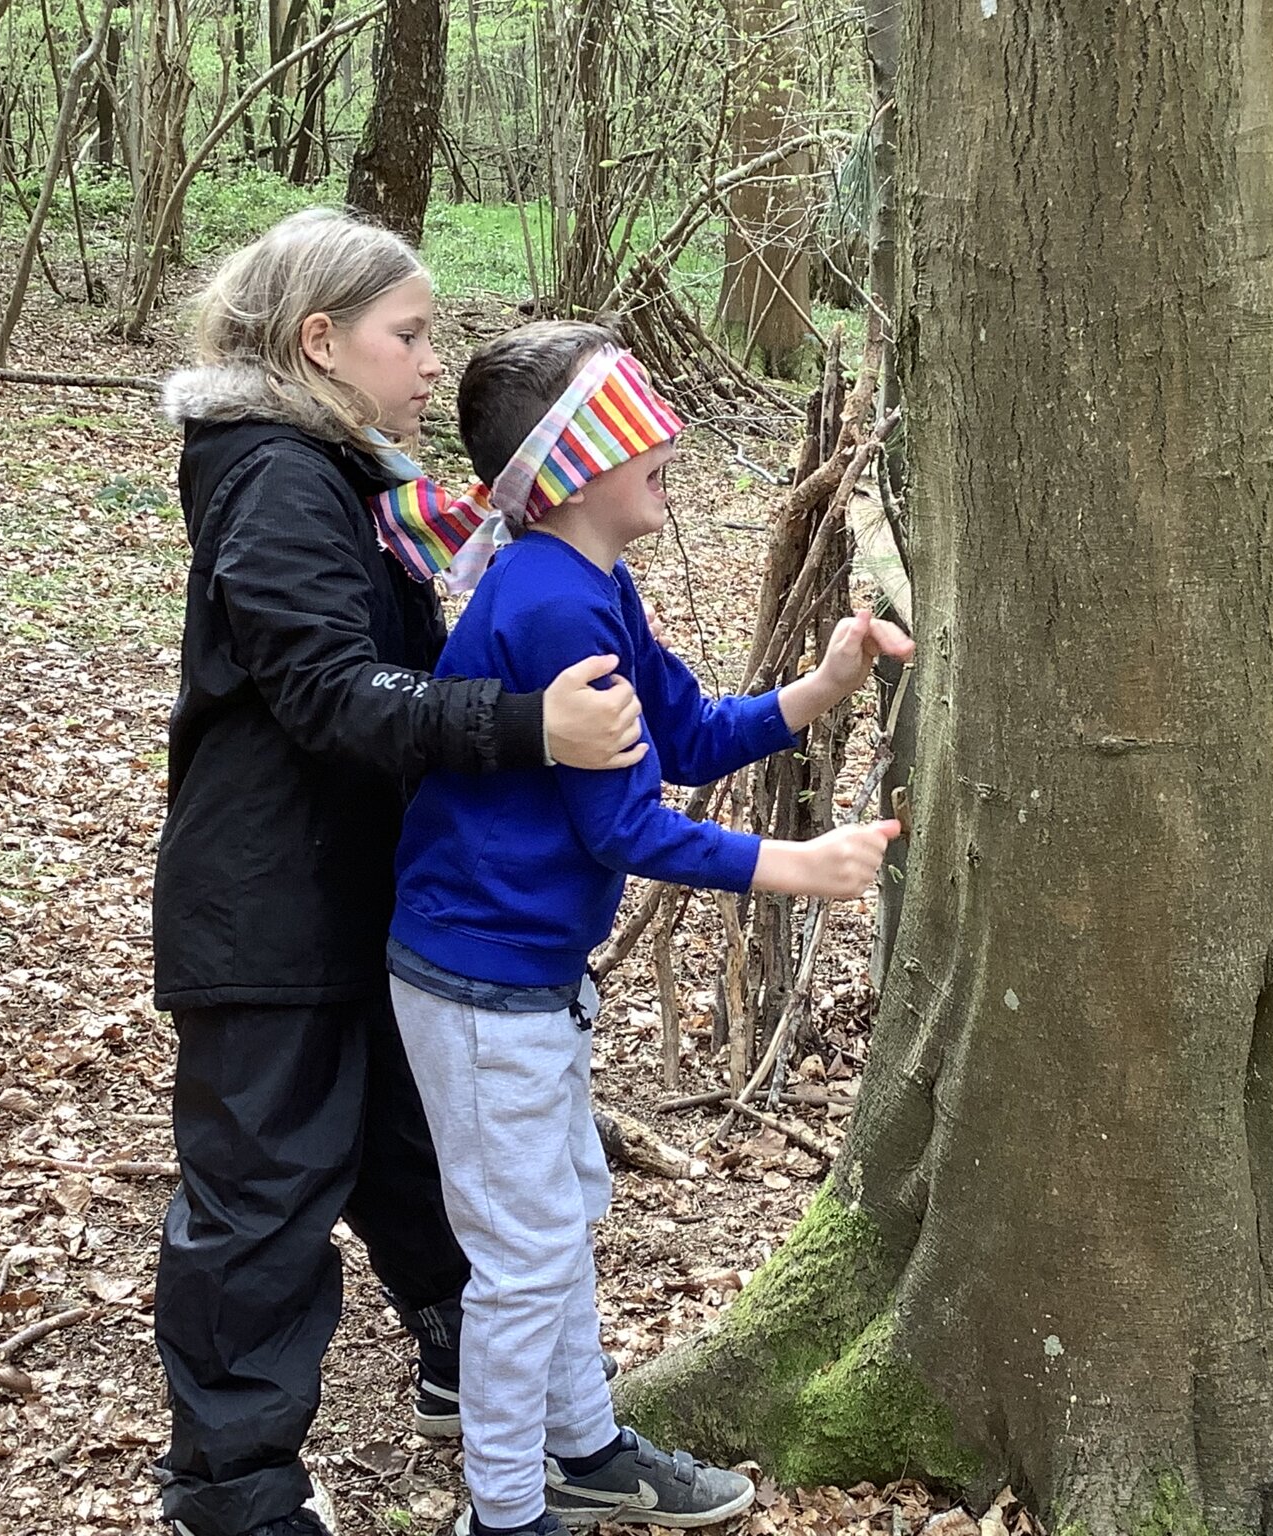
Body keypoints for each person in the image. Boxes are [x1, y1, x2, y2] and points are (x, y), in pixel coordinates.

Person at [152, 213, 647, 1536]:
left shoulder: (343, 472)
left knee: (410, 1149)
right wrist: (525, 727)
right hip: (265, 912)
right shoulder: (275, 478)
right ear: (321, 342)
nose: (434, 365)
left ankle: (465, 1360)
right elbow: (329, 693)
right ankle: (235, 1497)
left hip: (366, 890)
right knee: (261, 1208)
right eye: (409, 337)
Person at [385, 320, 913, 1536]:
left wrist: (819, 686)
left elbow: (679, 730)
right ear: (579, 463)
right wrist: (790, 864)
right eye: (640, 422)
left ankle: (578, 1450)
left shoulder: (587, 584)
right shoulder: (549, 604)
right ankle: (505, 1513)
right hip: (480, 979)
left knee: (560, 1214)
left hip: (520, 976)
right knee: (520, 1260)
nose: (669, 434)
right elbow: (622, 826)